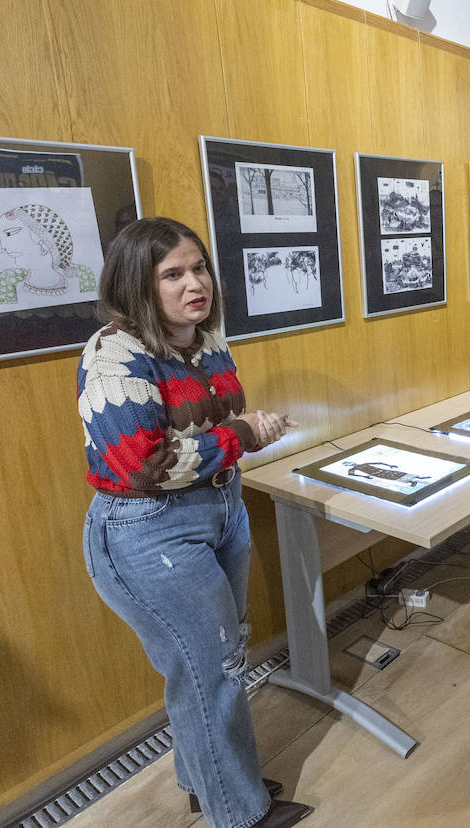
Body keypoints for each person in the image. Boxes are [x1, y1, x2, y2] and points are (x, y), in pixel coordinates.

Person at [77, 218, 312, 828]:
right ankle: (240, 813)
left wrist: (242, 433)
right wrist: (241, 435)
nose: (195, 284)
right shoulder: (113, 353)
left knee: (210, 663)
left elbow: (206, 431)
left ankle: (206, 783)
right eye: (173, 274)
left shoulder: (205, 341)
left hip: (218, 509)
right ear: (136, 284)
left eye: (199, 267)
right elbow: (146, 465)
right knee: (216, 671)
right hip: (150, 529)